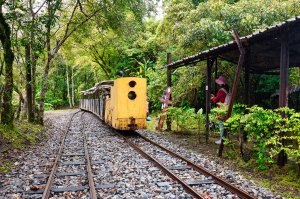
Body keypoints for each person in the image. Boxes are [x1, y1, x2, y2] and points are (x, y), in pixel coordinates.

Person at [210, 76, 230, 144]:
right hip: (226, 108)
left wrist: (212, 98)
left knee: (221, 124)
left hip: (221, 109)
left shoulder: (221, 90)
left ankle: (221, 140)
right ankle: (225, 139)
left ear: (221, 83)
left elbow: (215, 100)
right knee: (225, 124)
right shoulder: (227, 90)